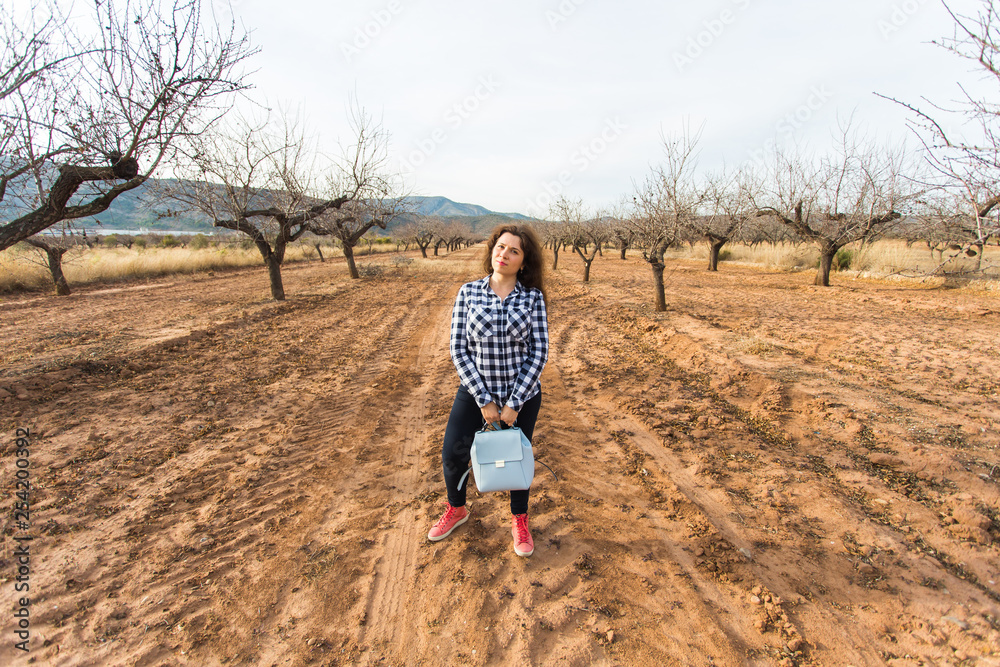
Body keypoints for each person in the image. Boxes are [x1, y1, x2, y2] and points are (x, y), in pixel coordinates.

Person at [427, 224, 549, 557]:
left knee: (516, 457)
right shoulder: (468, 293)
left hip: (521, 395)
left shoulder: (532, 297)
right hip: (475, 392)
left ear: (523, 261)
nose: (504, 254)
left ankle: (519, 519)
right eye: (500, 247)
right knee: (453, 452)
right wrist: (483, 400)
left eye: (514, 251)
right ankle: (457, 508)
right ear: (491, 251)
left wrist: (513, 405)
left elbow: (539, 351)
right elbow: (457, 348)